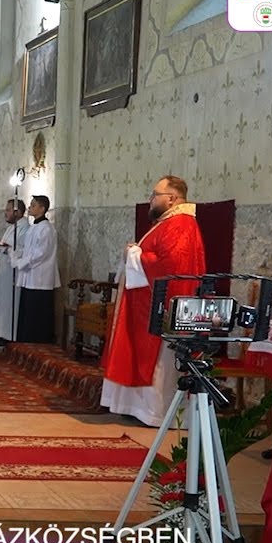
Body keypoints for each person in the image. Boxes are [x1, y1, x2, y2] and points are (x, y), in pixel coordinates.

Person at [100, 176, 207, 427]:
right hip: (146, 300)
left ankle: (156, 412)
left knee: (159, 362)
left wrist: (134, 253)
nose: (151, 199)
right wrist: (136, 253)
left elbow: (169, 265)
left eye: (155, 194)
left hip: (164, 305)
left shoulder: (181, 224)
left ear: (171, 198)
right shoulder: (168, 222)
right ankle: (137, 408)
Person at [12, 195, 61, 344]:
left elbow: (41, 254)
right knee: (27, 312)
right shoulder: (33, 228)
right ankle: (25, 341)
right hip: (29, 276)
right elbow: (29, 249)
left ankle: (37, 342)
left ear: (42, 209)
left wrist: (21, 262)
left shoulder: (47, 229)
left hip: (40, 278)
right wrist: (17, 254)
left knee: (37, 314)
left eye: (33, 205)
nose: (29, 208)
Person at [0, 199, 29, 347]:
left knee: (9, 305)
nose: (5, 213)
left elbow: (21, 250)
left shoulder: (24, 228)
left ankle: (8, 335)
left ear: (18, 212)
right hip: (4, 270)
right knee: (1, 304)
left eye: (8, 210)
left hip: (13, 272)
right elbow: (7, 246)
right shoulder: (12, 227)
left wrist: (5, 248)